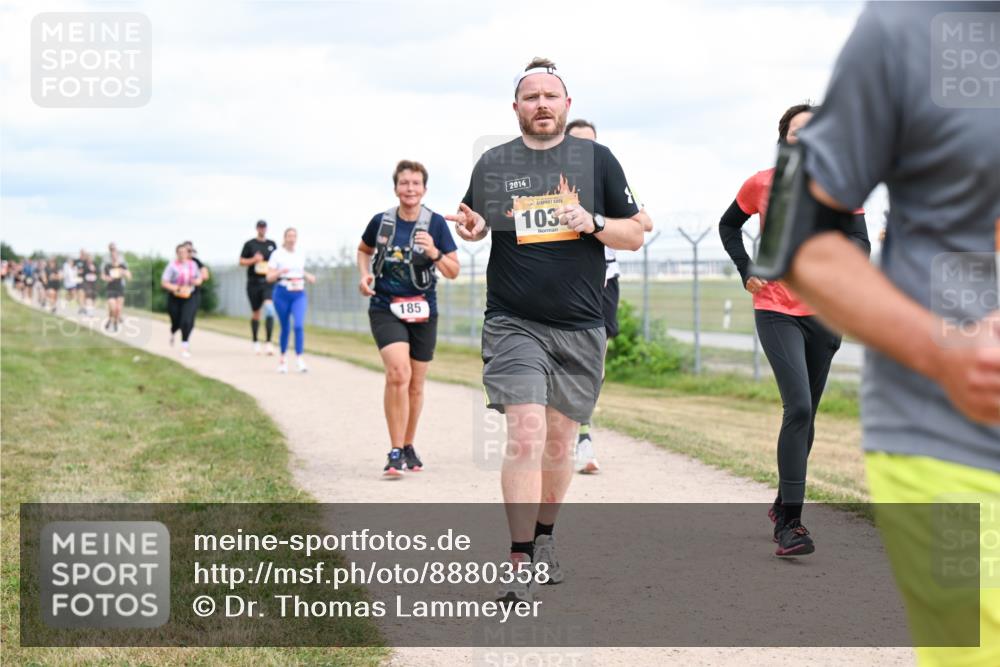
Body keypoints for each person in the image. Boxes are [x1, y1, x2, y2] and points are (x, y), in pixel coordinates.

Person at [770, 3, 999, 664]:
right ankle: (789, 512)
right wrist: (942, 348)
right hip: (955, 436)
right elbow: (800, 232)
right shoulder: (907, 27)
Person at [449, 58, 645, 603]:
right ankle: (516, 558)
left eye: (550, 96)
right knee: (527, 433)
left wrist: (594, 222)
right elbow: (477, 224)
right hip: (514, 321)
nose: (541, 104)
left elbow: (634, 234)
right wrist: (471, 229)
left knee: (559, 443)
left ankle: (543, 539)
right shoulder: (493, 163)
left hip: (581, 325)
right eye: (530, 96)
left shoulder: (598, 162)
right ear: (515, 108)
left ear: (567, 105)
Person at [718, 103, 870, 556]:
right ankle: (793, 526)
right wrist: (745, 267)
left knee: (809, 416)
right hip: (776, 307)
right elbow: (729, 225)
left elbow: (860, 242)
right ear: (784, 138)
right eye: (796, 132)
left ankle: (784, 505)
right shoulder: (761, 183)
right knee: (798, 406)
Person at [357, 160, 460, 477]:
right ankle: (395, 450)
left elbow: (453, 270)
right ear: (396, 188)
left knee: (415, 384)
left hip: (423, 308)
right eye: (404, 183)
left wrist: (434, 253)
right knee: (398, 374)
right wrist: (364, 276)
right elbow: (363, 249)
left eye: (416, 183)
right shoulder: (381, 221)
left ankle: (409, 443)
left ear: (424, 189)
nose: (410, 189)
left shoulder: (436, 225)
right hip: (386, 305)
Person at [565, 119, 653, 474]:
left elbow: (644, 221)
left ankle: (583, 434)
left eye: (592, 144)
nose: (586, 150)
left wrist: (599, 220)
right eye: (578, 144)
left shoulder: (607, 180)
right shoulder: (553, 183)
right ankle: (557, 427)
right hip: (563, 281)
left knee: (593, 364)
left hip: (604, 282)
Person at [266, 227, 316, 373]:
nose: (292, 238)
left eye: (294, 236)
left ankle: (299, 358)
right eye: (289, 235)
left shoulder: (300, 254)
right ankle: (283, 359)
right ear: (284, 237)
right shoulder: (277, 254)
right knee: (285, 327)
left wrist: (308, 276)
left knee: (299, 325)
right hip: (282, 292)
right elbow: (268, 277)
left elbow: (299, 270)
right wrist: (280, 271)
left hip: (298, 292)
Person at [239, 220, 278, 355]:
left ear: (266, 228)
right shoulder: (250, 244)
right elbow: (241, 261)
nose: (262, 229)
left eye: (264, 227)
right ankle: (255, 340)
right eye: (260, 227)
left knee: (269, 308)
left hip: (267, 282)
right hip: (253, 282)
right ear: (257, 228)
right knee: (256, 312)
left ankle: (268, 342)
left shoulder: (271, 245)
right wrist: (253, 260)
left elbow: (277, 262)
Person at [160, 243, 203, 358]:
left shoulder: (193, 265)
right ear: (177, 253)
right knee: (176, 320)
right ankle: (173, 330)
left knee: (187, 320)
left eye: (185, 252)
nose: (183, 254)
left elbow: (199, 278)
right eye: (180, 252)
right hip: (175, 296)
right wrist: (177, 288)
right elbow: (164, 282)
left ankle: (185, 345)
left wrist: (196, 281)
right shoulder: (172, 266)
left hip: (189, 296)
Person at [102, 243, 131, 333]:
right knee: (113, 308)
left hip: (120, 288)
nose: (114, 256)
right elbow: (103, 276)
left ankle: (114, 322)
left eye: (116, 254)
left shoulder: (122, 265)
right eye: (112, 255)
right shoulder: (107, 265)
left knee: (118, 309)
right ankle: (111, 319)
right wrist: (107, 278)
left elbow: (129, 277)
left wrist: (124, 273)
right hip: (111, 289)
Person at [72, 249, 87, 313]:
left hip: (84, 280)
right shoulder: (77, 261)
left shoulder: (86, 262)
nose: (82, 255)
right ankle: (81, 306)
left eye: (83, 253)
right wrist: (76, 271)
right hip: (77, 279)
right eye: (81, 253)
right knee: (79, 294)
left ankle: (82, 307)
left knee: (83, 293)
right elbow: (72, 267)